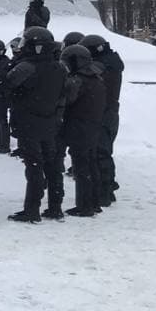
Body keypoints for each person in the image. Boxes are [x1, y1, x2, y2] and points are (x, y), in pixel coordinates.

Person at [5, 27, 68, 223]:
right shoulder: (59, 67)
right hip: (50, 121)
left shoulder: (27, 67)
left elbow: (7, 85)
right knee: (52, 165)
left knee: (34, 167)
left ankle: (32, 209)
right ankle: (55, 206)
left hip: (29, 122)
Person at [59, 44, 107, 218]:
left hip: (79, 126)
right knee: (91, 165)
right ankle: (94, 202)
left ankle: (84, 206)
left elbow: (68, 100)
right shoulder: (97, 78)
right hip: (92, 126)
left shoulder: (78, 79)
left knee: (81, 167)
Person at [82, 34, 123, 207]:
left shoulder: (103, 66)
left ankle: (105, 191)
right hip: (108, 112)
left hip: (103, 113)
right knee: (102, 152)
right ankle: (106, 188)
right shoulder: (109, 63)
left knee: (101, 153)